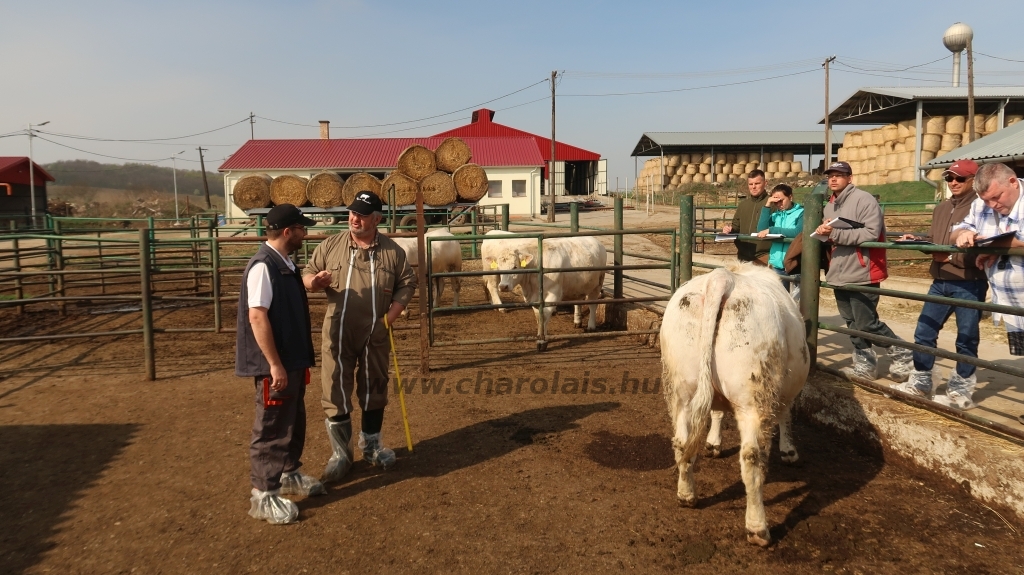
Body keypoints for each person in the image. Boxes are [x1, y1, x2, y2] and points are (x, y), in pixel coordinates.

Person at [302, 190, 417, 482]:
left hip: (376, 333)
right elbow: (307, 273)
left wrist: (390, 317)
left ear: (376, 218)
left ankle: (372, 446)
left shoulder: (393, 251)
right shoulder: (330, 245)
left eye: (362, 215)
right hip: (338, 332)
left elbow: (407, 284)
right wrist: (313, 283)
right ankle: (341, 454)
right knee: (334, 389)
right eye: (352, 213)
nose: (354, 219)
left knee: (374, 388)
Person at [236, 203, 325, 525]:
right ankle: (264, 494)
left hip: (292, 358)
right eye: (302, 228)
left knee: (293, 418)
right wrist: (273, 365)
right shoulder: (263, 266)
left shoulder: (285, 263)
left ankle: (289, 472)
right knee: (272, 425)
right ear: (288, 231)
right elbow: (257, 316)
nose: (306, 233)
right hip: (276, 362)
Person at [891, 160, 988, 408]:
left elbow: (988, 248)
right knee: (924, 331)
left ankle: (961, 388)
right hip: (940, 279)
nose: (953, 183)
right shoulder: (942, 208)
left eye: (960, 179)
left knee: (966, 337)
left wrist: (950, 256)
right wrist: (919, 240)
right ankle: (923, 381)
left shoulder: (983, 209)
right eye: (949, 178)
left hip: (968, 282)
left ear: (974, 181)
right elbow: (936, 240)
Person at [813, 161, 913, 381]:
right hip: (839, 270)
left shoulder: (864, 200)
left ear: (850, 178)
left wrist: (835, 235)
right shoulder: (830, 205)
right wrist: (822, 230)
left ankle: (903, 353)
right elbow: (831, 234)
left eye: (839, 175)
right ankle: (865, 365)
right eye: (830, 175)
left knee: (867, 323)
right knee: (851, 322)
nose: (833, 179)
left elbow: (871, 233)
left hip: (862, 271)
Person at [951, 162, 1024, 406]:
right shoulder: (981, 204)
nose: (993, 205)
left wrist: (996, 248)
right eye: (987, 199)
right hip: (1011, 299)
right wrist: (963, 233)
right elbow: (959, 228)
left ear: (1013, 182)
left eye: (997, 197)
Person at [756, 183, 804, 300]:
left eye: (781, 200)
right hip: (777, 263)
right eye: (775, 202)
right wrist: (767, 205)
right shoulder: (776, 215)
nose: (778, 204)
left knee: (795, 302)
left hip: (795, 264)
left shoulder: (801, 213)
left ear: (790, 197)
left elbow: (798, 232)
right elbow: (761, 230)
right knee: (779, 301)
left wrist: (772, 230)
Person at [722, 169, 773, 265]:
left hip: (763, 256)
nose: (753, 187)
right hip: (743, 257)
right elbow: (736, 226)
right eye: (751, 184)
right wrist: (729, 229)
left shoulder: (772, 204)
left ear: (765, 183)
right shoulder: (743, 205)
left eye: (757, 183)